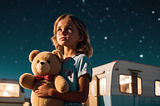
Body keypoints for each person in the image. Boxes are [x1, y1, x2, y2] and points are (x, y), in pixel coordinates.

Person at [35, 14, 93, 106]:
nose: (63, 32)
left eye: (69, 29)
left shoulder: (81, 59)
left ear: (80, 37)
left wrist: (50, 92)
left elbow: (82, 96)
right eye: (59, 29)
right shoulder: (56, 62)